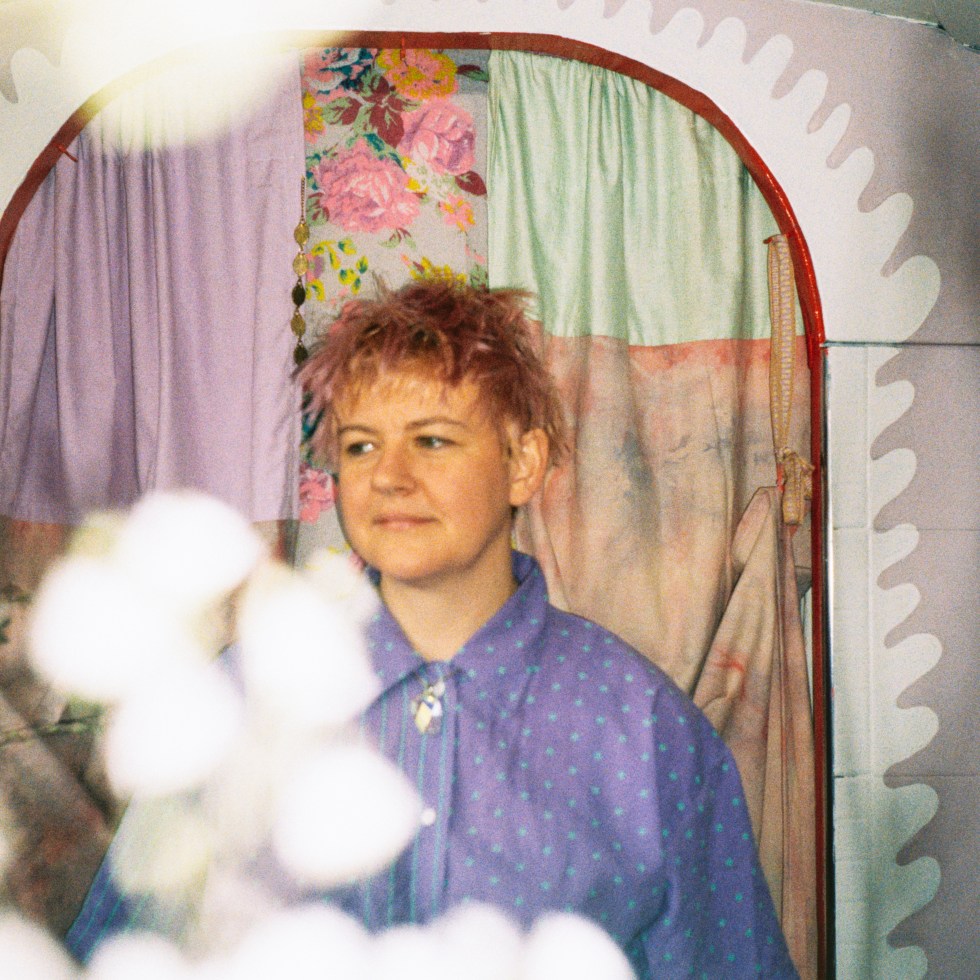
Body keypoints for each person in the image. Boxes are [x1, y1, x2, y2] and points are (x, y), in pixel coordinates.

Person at [68, 279, 798, 977]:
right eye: (361, 445)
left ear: (523, 463)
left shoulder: (648, 733)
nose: (388, 476)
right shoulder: (238, 701)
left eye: (433, 441)